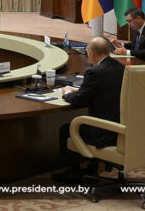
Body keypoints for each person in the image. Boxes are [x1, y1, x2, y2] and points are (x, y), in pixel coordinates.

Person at [53, 36, 125, 183]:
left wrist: (67, 93)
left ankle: (74, 172)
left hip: (103, 132)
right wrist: (80, 90)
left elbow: (78, 101)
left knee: (66, 129)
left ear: (91, 53)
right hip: (121, 128)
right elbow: (104, 89)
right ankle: (93, 165)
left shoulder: (95, 72)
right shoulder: (120, 68)